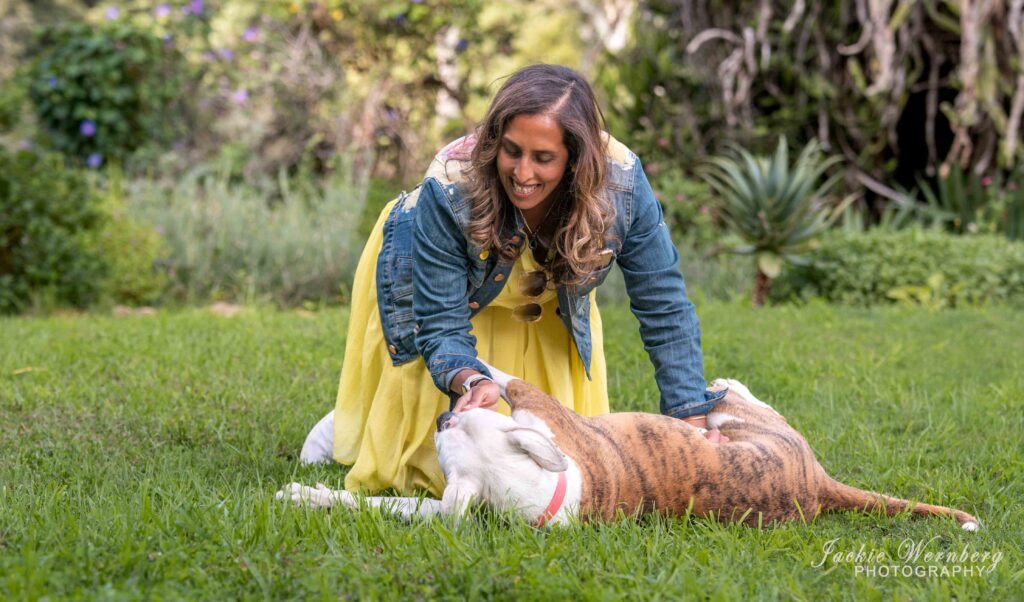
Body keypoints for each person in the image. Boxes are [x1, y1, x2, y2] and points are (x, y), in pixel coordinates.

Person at [300, 64, 727, 497]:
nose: (523, 174)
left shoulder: (621, 184)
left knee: (556, 463)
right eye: (512, 151)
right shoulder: (450, 186)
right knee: (422, 471)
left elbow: (663, 304)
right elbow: (441, 322)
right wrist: (471, 380)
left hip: (538, 295)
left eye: (543, 158)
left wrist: (687, 417)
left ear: (576, 161)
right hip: (435, 274)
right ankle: (351, 424)